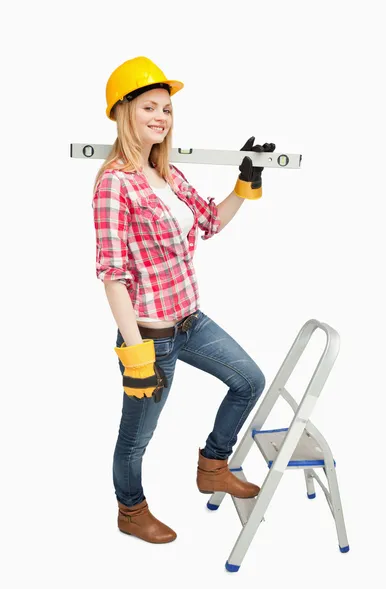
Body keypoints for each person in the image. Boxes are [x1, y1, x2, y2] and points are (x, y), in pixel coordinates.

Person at [92, 56, 276, 544]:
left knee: (248, 380)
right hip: (149, 334)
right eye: (149, 106)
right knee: (135, 440)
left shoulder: (167, 173)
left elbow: (211, 222)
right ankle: (130, 512)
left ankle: (213, 466)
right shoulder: (115, 182)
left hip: (190, 320)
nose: (161, 116)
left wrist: (247, 181)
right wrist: (136, 357)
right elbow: (112, 275)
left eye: (167, 109)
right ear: (123, 112)